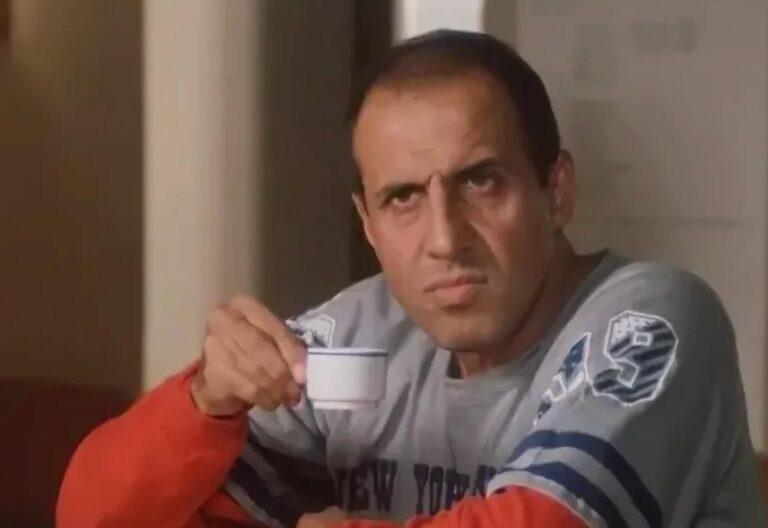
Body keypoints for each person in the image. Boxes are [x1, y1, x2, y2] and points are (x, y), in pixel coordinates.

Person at [56, 29, 766, 528]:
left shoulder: (651, 321)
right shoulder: (360, 331)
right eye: (403, 198)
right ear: (367, 223)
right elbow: (91, 517)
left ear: (556, 193)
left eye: (480, 182)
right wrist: (206, 401)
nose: (445, 239)